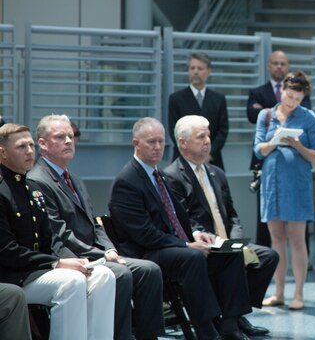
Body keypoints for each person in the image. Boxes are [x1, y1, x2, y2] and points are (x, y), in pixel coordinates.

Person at [109, 117, 251, 340]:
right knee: (192, 258)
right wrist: (186, 244)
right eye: (151, 142)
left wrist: (196, 234)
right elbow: (145, 234)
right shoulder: (127, 181)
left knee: (228, 252)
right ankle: (207, 330)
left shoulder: (159, 175)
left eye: (161, 141)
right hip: (146, 252)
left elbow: (177, 215)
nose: (157, 147)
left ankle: (230, 324)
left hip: (171, 245)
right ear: (136, 144)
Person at [28, 114, 165, 340]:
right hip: (71, 257)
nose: (69, 141)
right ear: (42, 144)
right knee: (120, 273)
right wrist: (101, 255)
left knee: (148, 270)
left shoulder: (73, 178)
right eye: (60, 137)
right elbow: (60, 233)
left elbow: (96, 224)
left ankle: (147, 336)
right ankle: (119, 336)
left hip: (96, 253)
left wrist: (110, 250)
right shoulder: (38, 180)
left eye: (71, 136)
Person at [164, 115, 278, 337]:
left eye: (208, 135)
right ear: (183, 142)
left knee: (268, 257)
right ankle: (229, 325)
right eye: (200, 137)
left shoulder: (217, 173)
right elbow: (183, 219)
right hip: (203, 247)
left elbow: (232, 215)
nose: (208, 140)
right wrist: (216, 241)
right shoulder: (172, 177)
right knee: (232, 256)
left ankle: (234, 315)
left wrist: (235, 238)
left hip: (226, 242)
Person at [0, 123, 115, 340]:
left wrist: (75, 261)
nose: (29, 151)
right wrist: (57, 263)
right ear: (2, 152)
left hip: (38, 270)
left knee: (103, 275)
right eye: (21, 147)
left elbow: (50, 239)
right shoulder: (2, 190)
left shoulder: (32, 189)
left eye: (31, 145)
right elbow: (7, 251)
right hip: (13, 276)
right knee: (71, 282)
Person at [253, 71, 315, 310]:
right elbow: (258, 150)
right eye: (289, 96)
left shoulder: (309, 118)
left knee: (296, 239)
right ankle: (279, 292)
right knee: (277, 240)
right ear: (282, 90)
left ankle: (299, 294)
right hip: (272, 185)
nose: (292, 102)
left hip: (297, 186)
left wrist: (297, 145)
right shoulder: (266, 115)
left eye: (297, 99)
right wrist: (275, 141)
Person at [246, 50, 312, 247]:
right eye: (275, 63)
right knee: (267, 216)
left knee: (298, 218)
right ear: (268, 66)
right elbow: (252, 114)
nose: (279, 67)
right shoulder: (257, 91)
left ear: (288, 66)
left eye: (283, 64)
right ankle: (266, 259)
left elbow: (304, 114)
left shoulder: (301, 92)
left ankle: (303, 259)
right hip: (266, 162)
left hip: (295, 162)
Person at [169, 52, 229, 169]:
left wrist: (209, 154)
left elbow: (223, 129)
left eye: (200, 68)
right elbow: (174, 130)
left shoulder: (218, 99)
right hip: (184, 159)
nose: (195, 72)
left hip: (212, 160)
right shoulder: (176, 99)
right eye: (192, 68)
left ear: (208, 72)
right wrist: (192, 154)